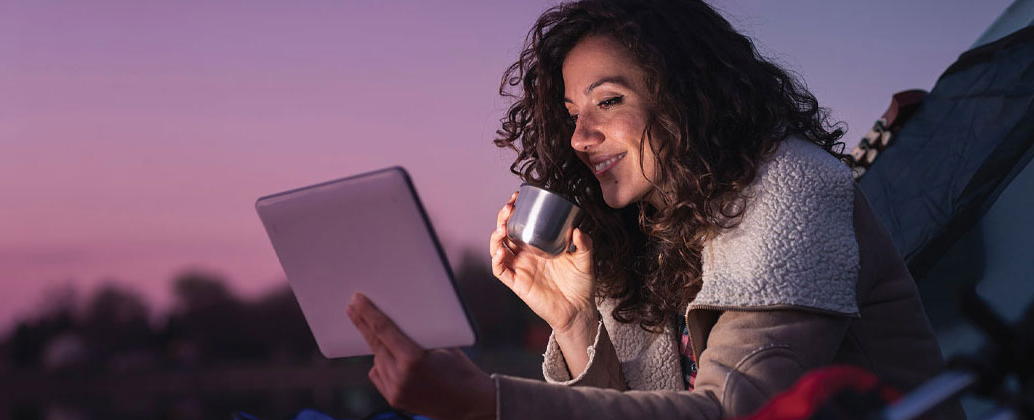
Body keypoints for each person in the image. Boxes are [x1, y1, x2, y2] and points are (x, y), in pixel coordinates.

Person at [345, 0, 963, 419]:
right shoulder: (643, 223)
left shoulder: (794, 184)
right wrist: (575, 323)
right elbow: (647, 405)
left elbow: (733, 411)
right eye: (570, 116)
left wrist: (491, 402)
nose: (580, 138)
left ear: (691, 96)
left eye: (607, 100)